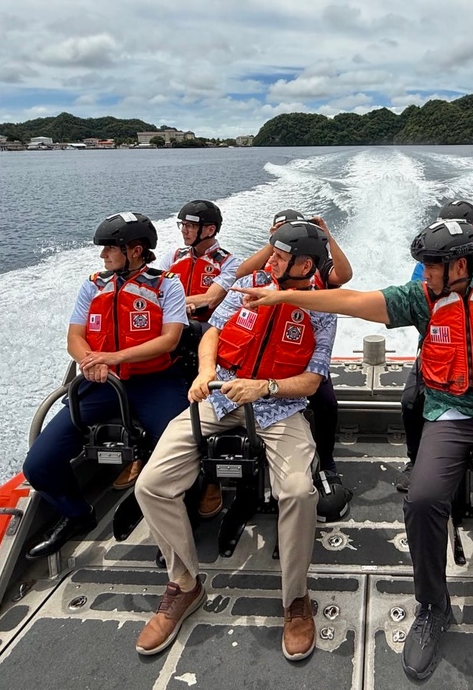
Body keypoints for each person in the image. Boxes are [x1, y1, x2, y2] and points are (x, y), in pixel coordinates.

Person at [235, 219, 473, 681]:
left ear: (459, 264)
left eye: (430, 266)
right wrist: (284, 296)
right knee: (422, 500)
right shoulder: (422, 297)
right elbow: (354, 302)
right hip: (453, 412)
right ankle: (433, 607)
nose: (423, 274)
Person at [134, 220, 337, 660]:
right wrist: (206, 371)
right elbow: (212, 332)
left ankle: (295, 600)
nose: (270, 261)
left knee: (300, 492)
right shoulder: (248, 284)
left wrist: (264, 387)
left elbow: (312, 380)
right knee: (150, 485)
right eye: (271, 254)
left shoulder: (321, 307)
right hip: (220, 396)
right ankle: (184, 584)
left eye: (280, 257)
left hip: (279, 406)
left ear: (304, 264)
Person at [22, 212, 188, 559]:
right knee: (39, 464)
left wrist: (113, 358)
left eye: (110, 248)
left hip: (155, 381)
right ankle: (77, 515)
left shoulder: (166, 284)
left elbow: (170, 340)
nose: (103, 256)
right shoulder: (93, 285)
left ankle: (173, 522)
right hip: (100, 383)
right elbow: (75, 337)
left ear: (136, 250)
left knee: (178, 447)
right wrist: (90, 361)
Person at [235, 209, 353, 474]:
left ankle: (326, 459)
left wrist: (326, 234)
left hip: (305, 350)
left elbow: (344, 275)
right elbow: (241, 273)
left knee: (326, 403)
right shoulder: (269, 269)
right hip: (267, 352)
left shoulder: (314, 269)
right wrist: (277, 243)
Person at [398, 199, 473, 492]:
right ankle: (416, 459)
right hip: (437, 351)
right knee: (410, 401)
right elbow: (419, 295)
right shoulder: (427, 270)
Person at [159, 200, 241, 518]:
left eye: (190, 226)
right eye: (183, 226)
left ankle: (212, 478)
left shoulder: (229, 263)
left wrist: (174, 306)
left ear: (209, 230)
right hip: (173, 342)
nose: (184, 231)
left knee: (214, 412)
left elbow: (210, 300)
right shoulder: (173, 257)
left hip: (209, 344)